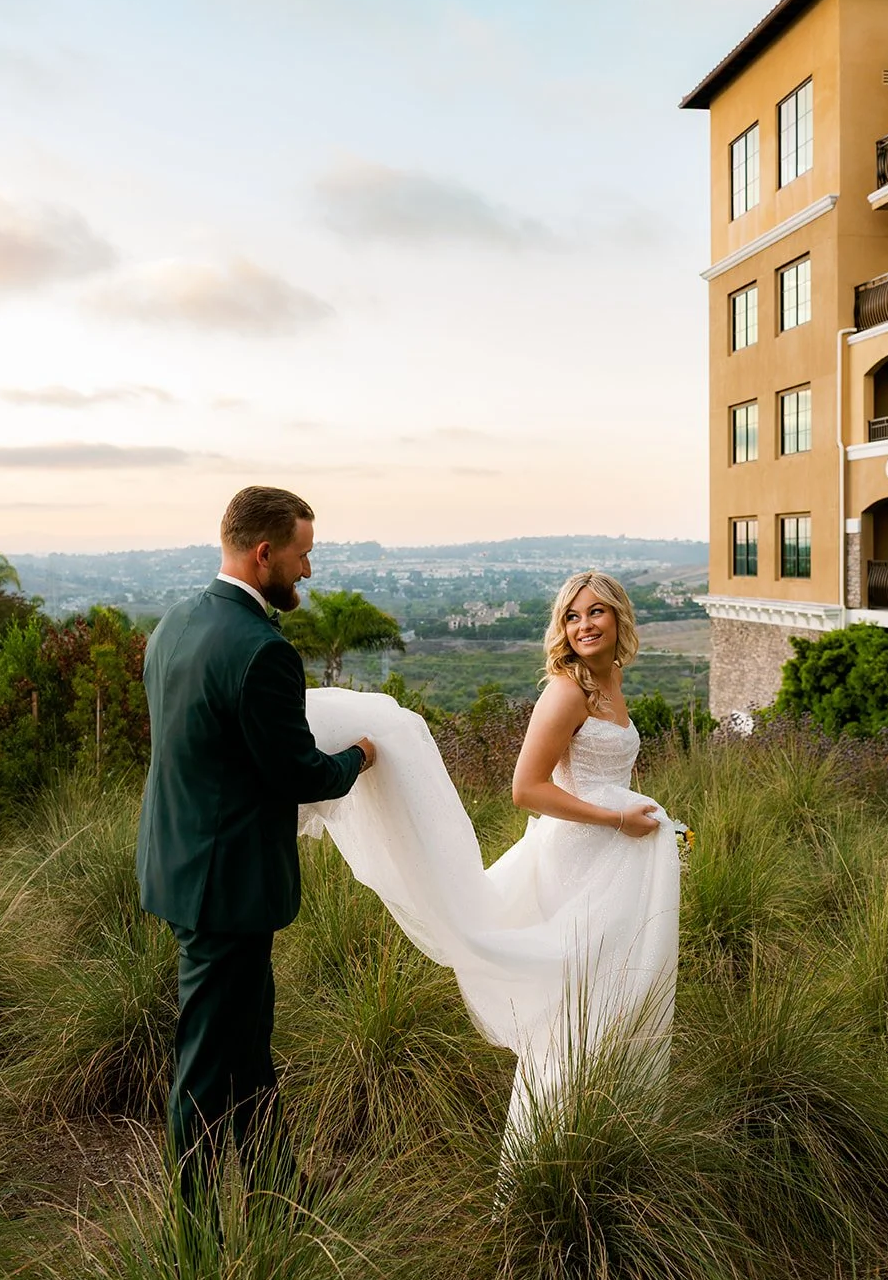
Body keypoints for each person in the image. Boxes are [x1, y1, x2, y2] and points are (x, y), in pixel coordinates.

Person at [295, 569, 680, 1156]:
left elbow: (603, 772)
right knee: (575, 1007)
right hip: (582, 854)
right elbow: (526, 789)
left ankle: (614, 1141)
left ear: (620, 617)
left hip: (616, 859)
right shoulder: (568, 689)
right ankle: (547, 1156)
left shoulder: (614, 679)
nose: (584, 626)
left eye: (596, 612)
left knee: (619, 997)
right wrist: (616, 819)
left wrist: (631, 812)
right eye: (572, 617)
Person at [136, 486, 376, 1208]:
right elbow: (297, 773)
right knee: (205, 1067)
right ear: (264, 552)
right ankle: (197, 1231)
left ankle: (278, 1188)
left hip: (180, 865)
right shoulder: (263, 650)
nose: (307, 570)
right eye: (302, 555)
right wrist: (359, 756)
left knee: (245, 1046)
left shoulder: (172, 624)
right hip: (227, 887)